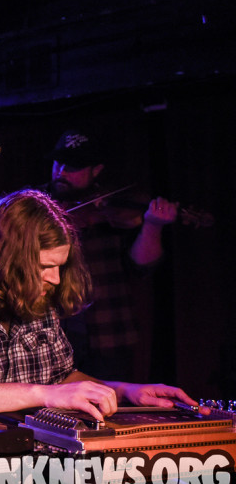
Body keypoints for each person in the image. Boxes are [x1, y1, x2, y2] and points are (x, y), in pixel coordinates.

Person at [0, 189, 212, 484]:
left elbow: (62, 379)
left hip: (47, 466)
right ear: (6, 259)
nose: (56, 278)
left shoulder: (35, 297)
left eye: (60, 266)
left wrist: (125, 391)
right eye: (45, 266)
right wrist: (46, 394)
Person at [45, 129, 178, 381]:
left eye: (73, 166)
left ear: (96, 170)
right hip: (48, 330)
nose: (61, 171)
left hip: (108, 331)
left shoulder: (112, 206)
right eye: (58, 162)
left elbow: (140, 266)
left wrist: (153, 225)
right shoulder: (35, 204)